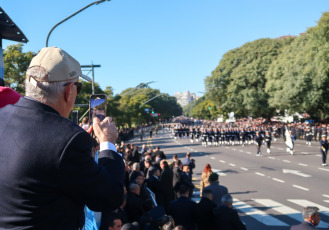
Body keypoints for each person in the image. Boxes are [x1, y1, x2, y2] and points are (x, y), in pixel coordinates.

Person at [0, 47, 125, 229]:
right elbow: (109, 197)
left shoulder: (2, 115)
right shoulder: (69, 138)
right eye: (78, 87)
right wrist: (107, 142)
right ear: (68, 91)